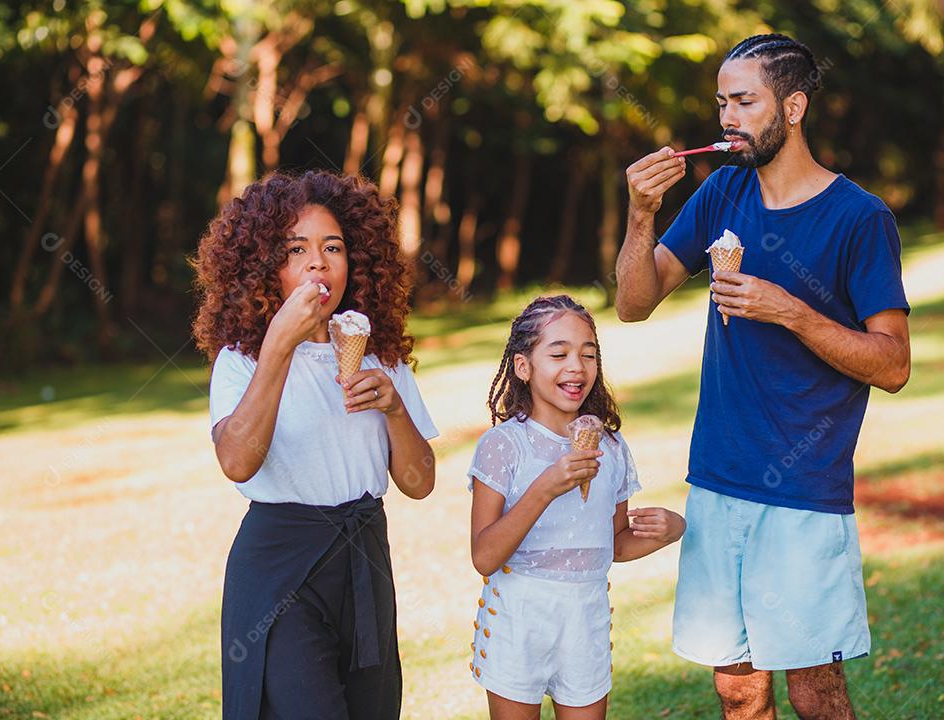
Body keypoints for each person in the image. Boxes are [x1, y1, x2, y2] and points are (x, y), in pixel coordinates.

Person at [615, 34, 911, 720]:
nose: (727, 117)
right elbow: (633, 303)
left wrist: (793, 313)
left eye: (745, 101)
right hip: (717, 479)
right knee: (738, 689)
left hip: (804, 490)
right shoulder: (722, 192)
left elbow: (893, 364)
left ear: (794, 105)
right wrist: (639, 213)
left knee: (814, 691)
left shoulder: (859, 218)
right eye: (722, 102)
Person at [192, 169, 438, 720]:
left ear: (357, 260)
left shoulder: (381, 355)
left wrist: (395, 407)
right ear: (264, 266)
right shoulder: (242, 359)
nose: (317, 262)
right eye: (295, 249)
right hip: (279, 567)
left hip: (363, 558)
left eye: (333, 247)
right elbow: (236, 460)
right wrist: (280, 340)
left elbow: (420, 483)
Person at [467, 294, 686, 720]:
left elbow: (616, 544)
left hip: (584, 618)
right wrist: (545, 488)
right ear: (523, 366)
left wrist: (671, 531)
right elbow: (485, 555)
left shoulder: (612, 448)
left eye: (589, 354)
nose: (577, 367)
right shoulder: (503, 445)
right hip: (518, 618)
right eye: (559, 353)